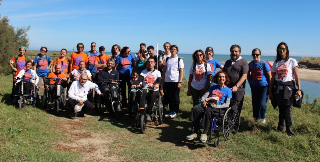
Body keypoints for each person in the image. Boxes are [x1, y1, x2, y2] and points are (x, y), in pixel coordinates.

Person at [186, 71, 232, 142]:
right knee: (196, 109)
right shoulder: (212, 87)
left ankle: (204, 133)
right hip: (208, 105)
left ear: (225, 79)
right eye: (219, 77)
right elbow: (204, 97)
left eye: (223, 77)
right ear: (217, 78)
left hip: (218, 108)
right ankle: (195, 132)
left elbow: (227, 104)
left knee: (208, 111)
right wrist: (203, 101)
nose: (221, 78)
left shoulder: (228, 90)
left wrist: (216, 106)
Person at [269, 42, 302, 136]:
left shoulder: (292, 61)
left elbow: (296, 76)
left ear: (286, 50)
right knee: (281, 109)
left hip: (288, 88)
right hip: (278, 87)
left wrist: (299, 89)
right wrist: (270, 90)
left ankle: (290, 131)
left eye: (283, 49)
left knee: (287, 109)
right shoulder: (276, 63)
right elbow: (273, 77)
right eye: (279, 49)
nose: (281, 51)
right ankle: (280, 128)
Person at [223, 44, 248, 116]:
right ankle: (227, 124)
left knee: (236, 108)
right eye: (232, 51)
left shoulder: (244, 62)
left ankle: (235, 126)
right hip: (227, 88)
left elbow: (244, 75)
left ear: (239, 52)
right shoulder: (228, 62)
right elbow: (224, 73)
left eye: (236, 51)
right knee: (227, 106)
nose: (234, 53)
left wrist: (236, 86)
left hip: (238, 89)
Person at [247, 48, 272, 123]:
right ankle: (256, 118)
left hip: (263, 87)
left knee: (262, 104)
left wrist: (270, 88)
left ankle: (262, 118)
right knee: (255, 103)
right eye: (254, 54)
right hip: (254, 86)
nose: (255, 56)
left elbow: (269, 75)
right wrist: (250, 82)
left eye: (257, 54)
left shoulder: (264, 63)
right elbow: (248, 74)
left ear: (260, 55)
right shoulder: (251, 64)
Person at [162, 45, 184, 118]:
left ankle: (175, 111)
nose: (173, 50)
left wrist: (180, 82)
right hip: (167, 80)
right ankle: (171, 110)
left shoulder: (179, 60)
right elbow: (164, 70)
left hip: (175, 81)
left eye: (174, 49)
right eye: (172, 49)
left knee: (175, 97)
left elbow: (181, 71)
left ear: (177, 50)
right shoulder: (167, 59)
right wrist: (163, 80)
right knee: (169, 96)